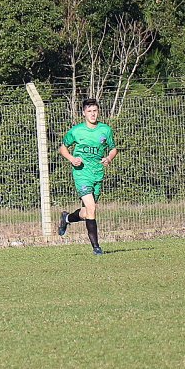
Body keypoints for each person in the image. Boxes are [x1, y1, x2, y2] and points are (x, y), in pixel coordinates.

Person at [57, 98, 117, 255]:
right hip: (82, 173)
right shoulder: (76, 131)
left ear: (98, 112)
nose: (92, 114)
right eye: (89, 111)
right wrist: (72, 159)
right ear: (83, 113)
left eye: (95, 111)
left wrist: (109, 158)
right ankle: (96, 248)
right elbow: (62, 148)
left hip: (97, 173)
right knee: (91, 208)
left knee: (87, 212)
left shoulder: (105, 130)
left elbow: (113, 149)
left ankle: (67, 218)